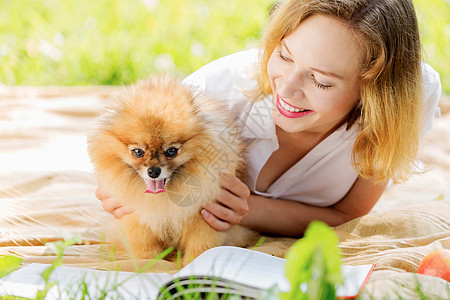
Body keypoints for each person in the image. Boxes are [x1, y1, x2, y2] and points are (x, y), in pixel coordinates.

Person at [96, 0, 441, 237]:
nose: (286, 90)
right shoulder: (206, 99)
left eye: (321, 80)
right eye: (284, 56)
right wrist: (126, 194)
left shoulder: (410, 98)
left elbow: (349, 213)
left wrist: (247, 209)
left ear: (374, 91)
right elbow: (124, 163)